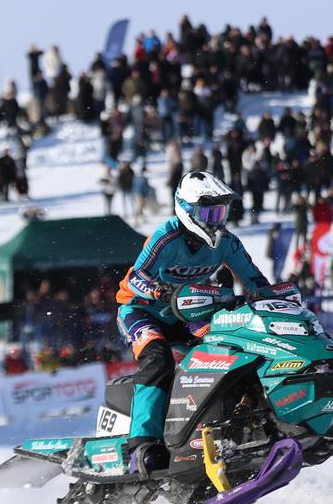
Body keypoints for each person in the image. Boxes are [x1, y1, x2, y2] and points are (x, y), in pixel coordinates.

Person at [115, 171, 272, 476]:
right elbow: (135, 277)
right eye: (210, 213)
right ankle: (141, 447)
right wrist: (160, 291)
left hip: (186, 314)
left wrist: (277, 299)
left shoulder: (227, 243)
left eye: (221, 212)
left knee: (230, 350)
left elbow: (255, 280)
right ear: (187, 209)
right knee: (158, 360)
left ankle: (236, 423)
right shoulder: (166, 236)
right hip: (141, 310)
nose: (216, 221)